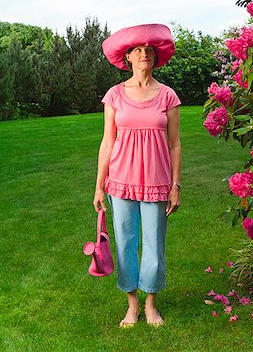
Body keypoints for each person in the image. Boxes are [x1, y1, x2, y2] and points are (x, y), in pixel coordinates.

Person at [93, 23, 181, 328]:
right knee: (126, 242)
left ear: (155, 58)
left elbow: (175, 144)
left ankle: (150, 305)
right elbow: (108, 141)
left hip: (157, 182)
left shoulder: (168, 96)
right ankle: (131, 306)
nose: (144, 54)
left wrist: (176, 186)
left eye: (149, 50)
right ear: (128, 58)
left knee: (155, 244)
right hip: (119, 180)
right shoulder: (114, 95)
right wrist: (98, 186)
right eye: (138, 50)